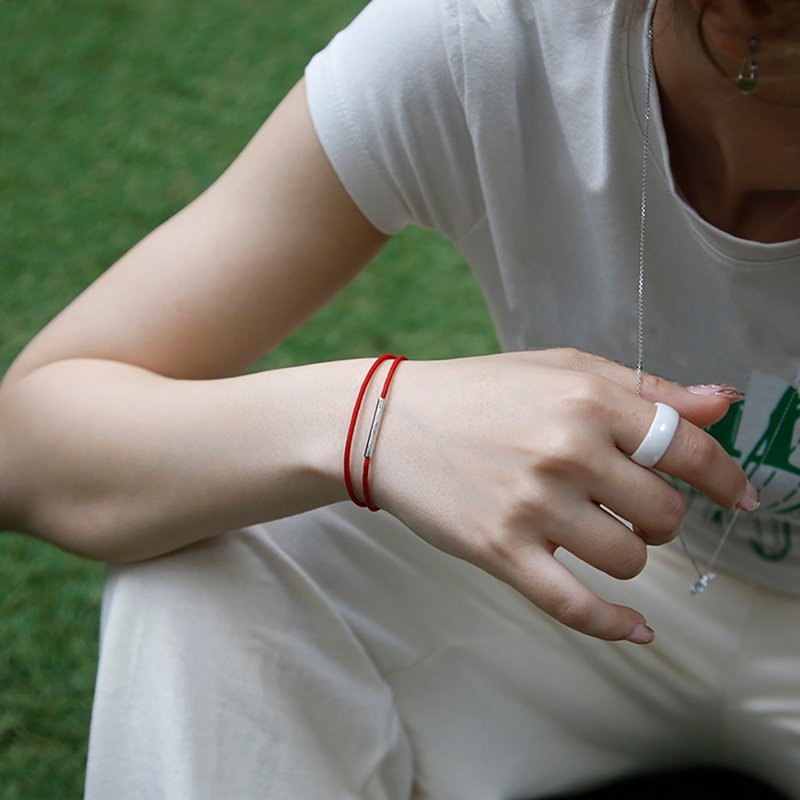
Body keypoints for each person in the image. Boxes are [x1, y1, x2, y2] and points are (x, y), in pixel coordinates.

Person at [0, 0, 798, 797]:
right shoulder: (497, 33)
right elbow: (30, 437)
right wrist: (374, 417)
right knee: (210, 526)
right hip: (600, 553)